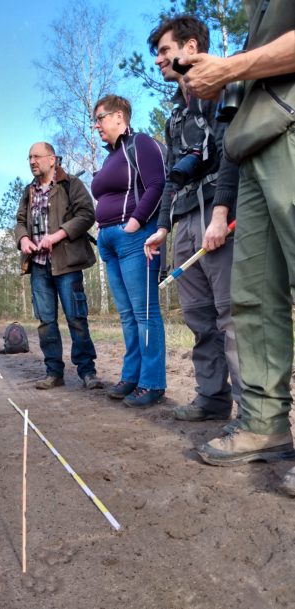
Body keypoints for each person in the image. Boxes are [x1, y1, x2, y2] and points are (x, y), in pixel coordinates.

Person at [179, 2, 295, 480]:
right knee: (252, 299)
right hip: (252, 148)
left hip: (289, 129)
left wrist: (230, 67)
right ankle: (266, 424)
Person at [144, 15, 241, 422]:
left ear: (191, 48)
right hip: (185, 220)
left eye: (165, 51)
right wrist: (163, 227)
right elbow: (170, 175)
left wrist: (221, 213)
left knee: (232, 314)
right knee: (199, 316)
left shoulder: (222, 88)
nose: (158, 60)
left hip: (220, 216)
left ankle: (254, 416)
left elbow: (232, 150)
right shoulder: (174, 116)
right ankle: (212, 398)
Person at [90, 95, 166, 407]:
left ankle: (152, 382)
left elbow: (157, 184)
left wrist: (135, 223)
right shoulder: (110, 158)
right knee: (126, 315)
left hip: (133, 236)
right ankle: (131, 376)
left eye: (100, 118)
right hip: (108, 241)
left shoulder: (141, 143)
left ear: (119, 116)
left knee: (144, 312)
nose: (96, 126)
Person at [15, 142, 103, 390]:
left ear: (52, 159)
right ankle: (54, 372)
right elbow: (20, 221)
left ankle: (88, 372)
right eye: (29, 157)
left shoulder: (71, 184)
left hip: (67, 263)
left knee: (76, 318)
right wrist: (23, 239)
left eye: (36, 156)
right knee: (46, 322)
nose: (32, 161)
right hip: (39, 266)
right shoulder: (28, 191)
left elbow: (87, 215)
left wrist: (57, 236)